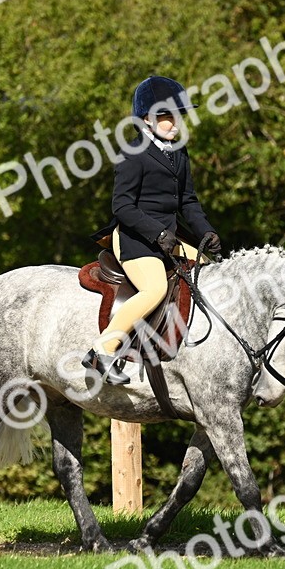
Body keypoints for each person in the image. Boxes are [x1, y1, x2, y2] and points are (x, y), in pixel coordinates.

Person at [85, 75, 221, 385]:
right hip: (135, 240)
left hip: (167, 240)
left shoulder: (179, 153)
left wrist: (206, 232)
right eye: (167, 116)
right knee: (154, 289)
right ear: (146, 119)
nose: (175, 123)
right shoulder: (132, 155)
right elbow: (122, 206)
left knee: (213, 272)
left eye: (177, 115)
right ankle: (101, 352)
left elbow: (188, 202)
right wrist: (157, 233)